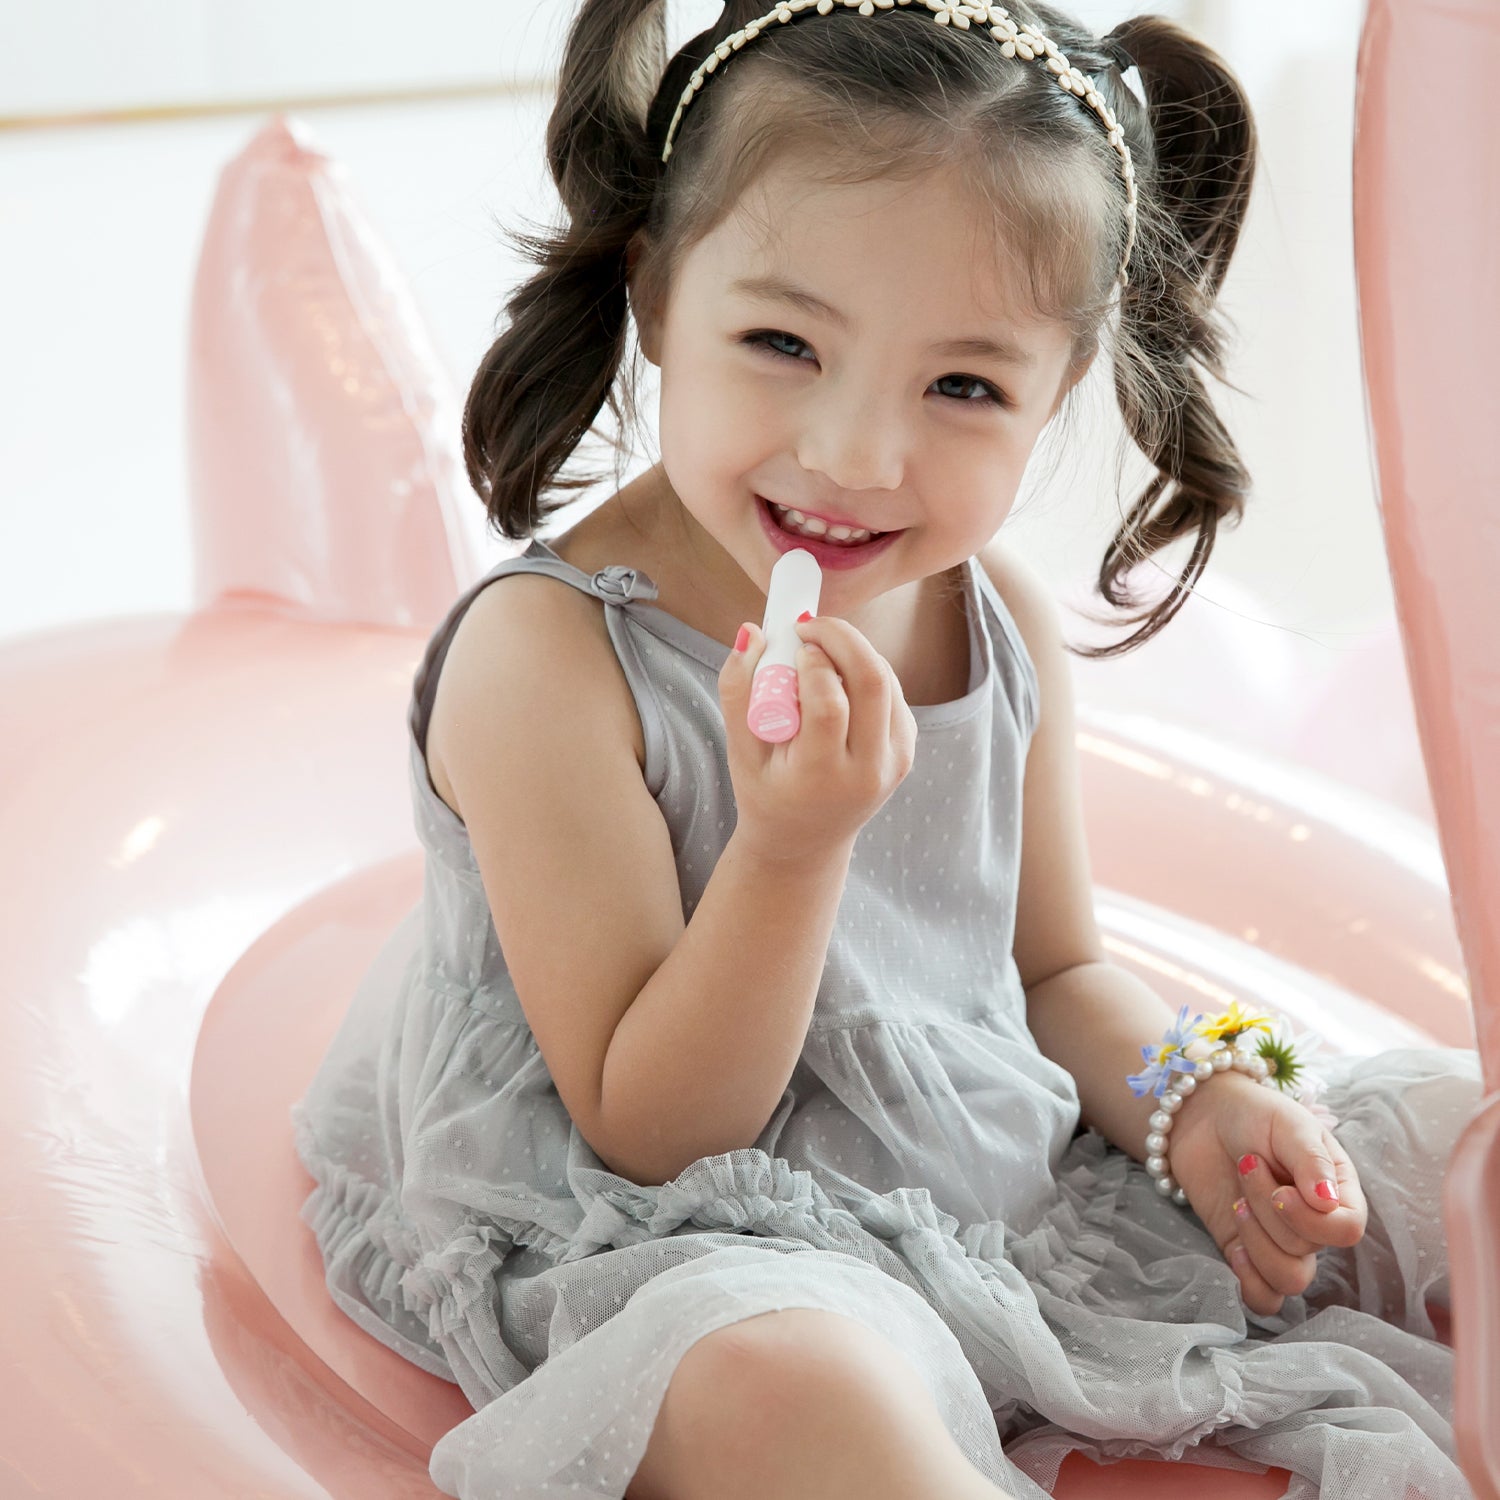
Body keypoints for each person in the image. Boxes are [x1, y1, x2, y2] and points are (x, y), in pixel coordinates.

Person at [290, 3, 1485, 1497]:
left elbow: (1055, 976)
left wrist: (1203, 1099)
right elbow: (652, 1127)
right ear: (658, 298)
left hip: (979, 1173)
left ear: (1061, 392)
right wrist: (791, 848)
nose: (856, 455)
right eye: (783, 343)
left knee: (1452, 1124)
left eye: (964, 387)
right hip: (681, 1224)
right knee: (789, 1383)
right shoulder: (546, 661)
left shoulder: (994, 623)